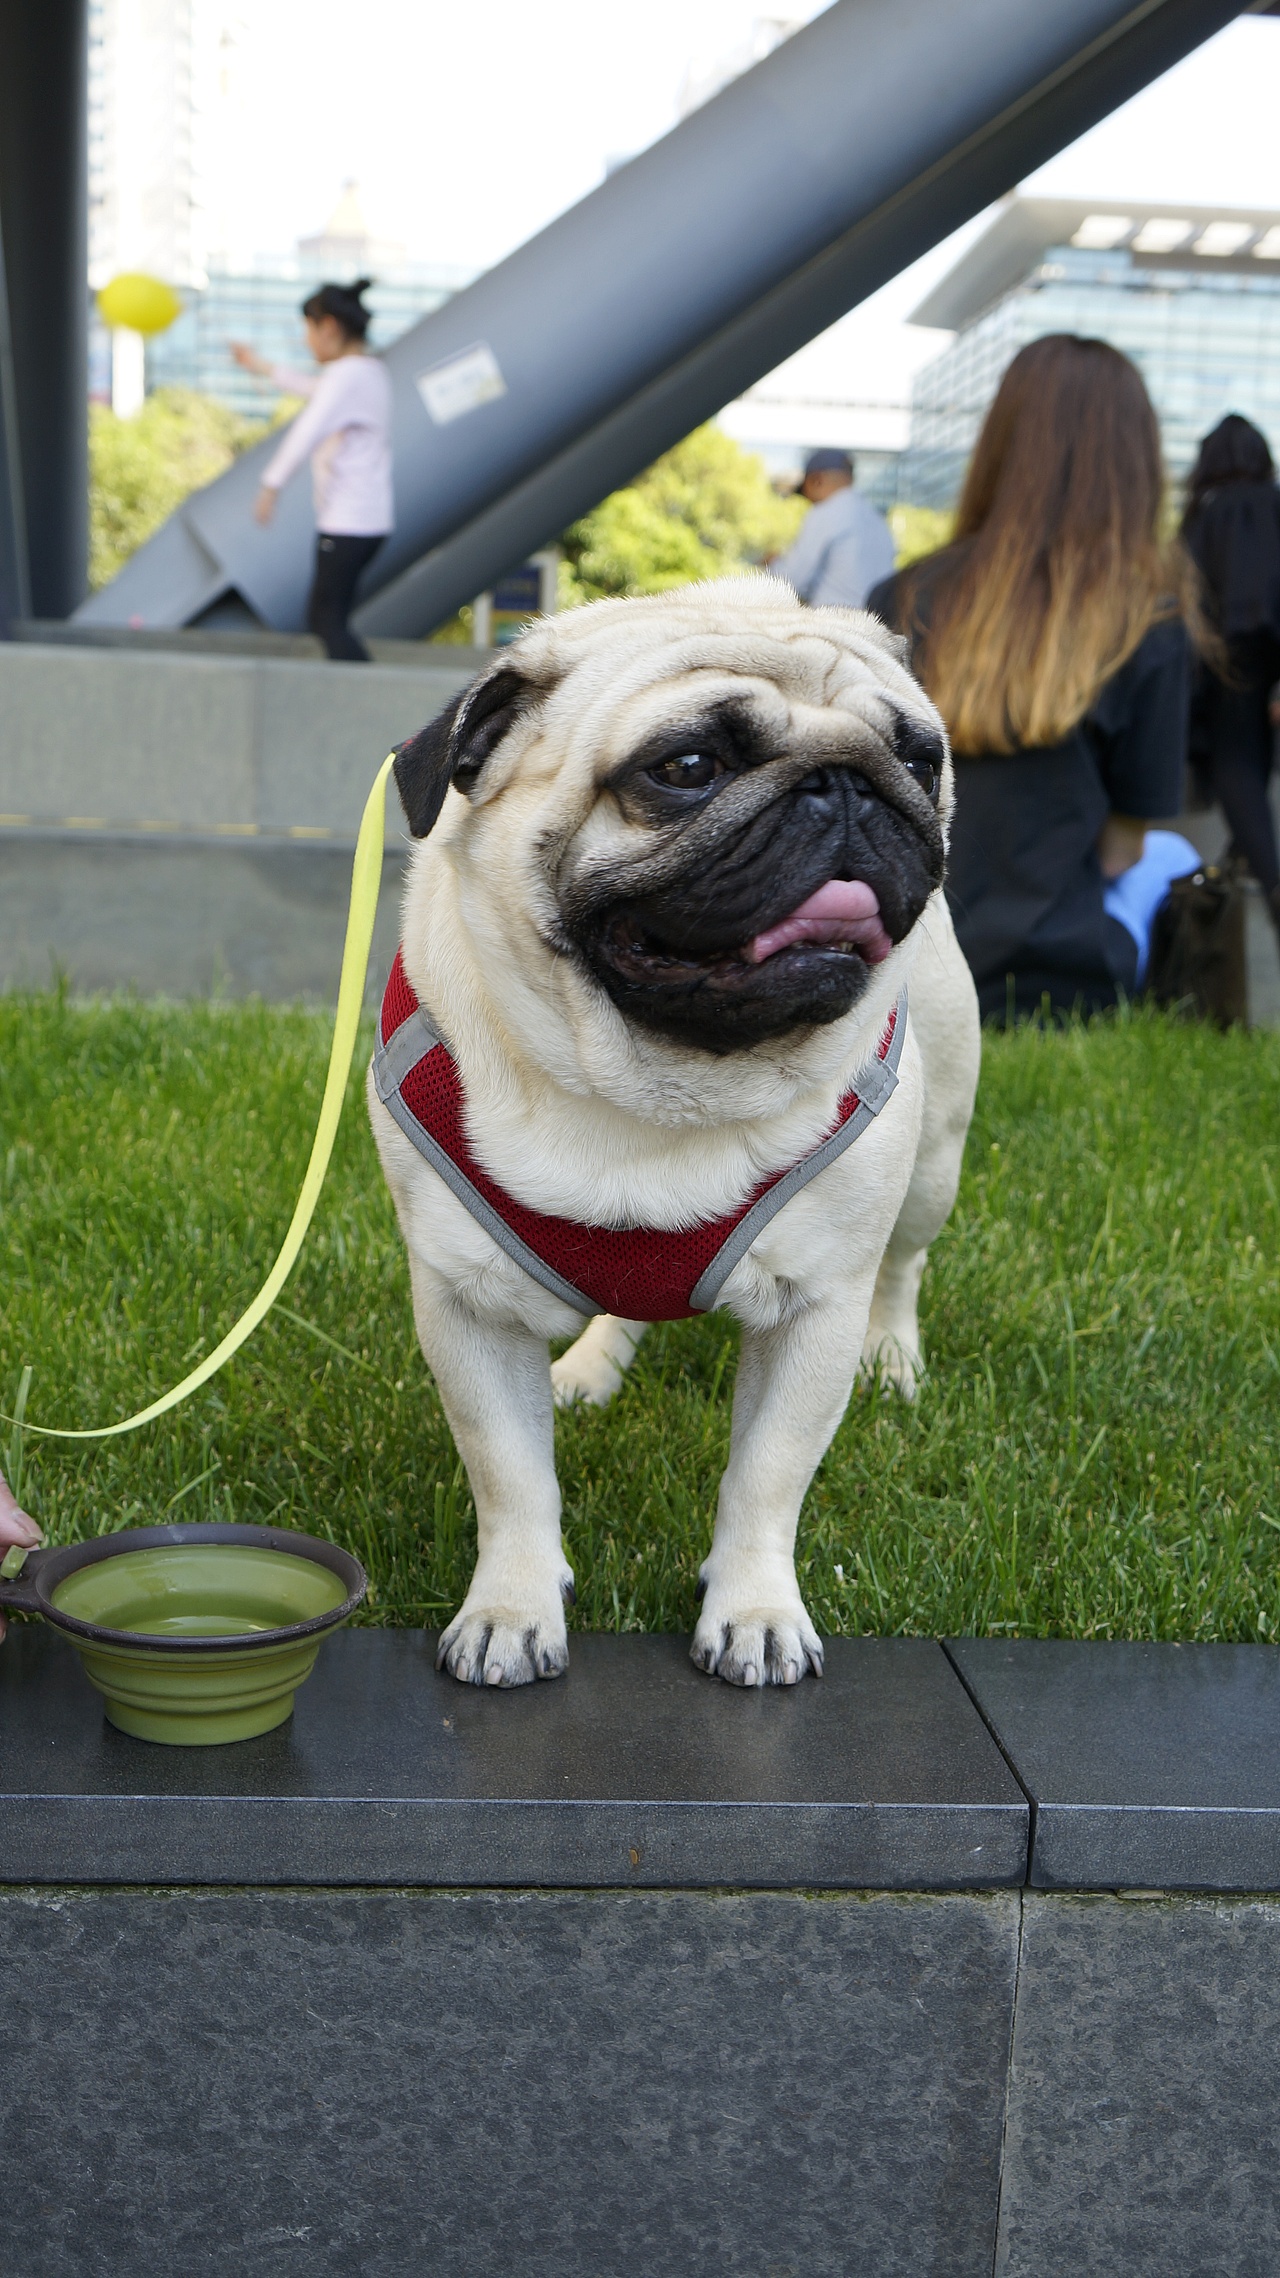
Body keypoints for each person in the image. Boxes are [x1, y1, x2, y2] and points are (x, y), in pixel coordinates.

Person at [868, 335, 1203, 1021]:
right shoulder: (1151, 623)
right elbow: (1120, 854)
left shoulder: (900, 597)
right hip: (1057, 976)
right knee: (1170, 854)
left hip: (898, 969)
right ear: (1136, 464)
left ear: (1001, 444)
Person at [232, 279, 393, 662]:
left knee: (326, 621)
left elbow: (308, 428)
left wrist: (271, 485)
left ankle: (366, 696)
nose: (307, 341)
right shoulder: (367, 372)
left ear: (329, 328)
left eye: (308, 330)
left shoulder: (346, 376)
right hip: (368, 523)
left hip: (347, 523)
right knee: (330, 619)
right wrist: (259, 366)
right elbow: (314, 390)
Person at [1182, 413, 1280, 935]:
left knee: (1234, 762)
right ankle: (1249, 860)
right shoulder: (1275, 503)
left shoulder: (1210, 513)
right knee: (1255, 760)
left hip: (1224, 659)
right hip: (1270, 657)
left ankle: (1267, 879)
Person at [767, 447, 896, 610]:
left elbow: (790, 580)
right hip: (878, 626)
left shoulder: (825, 512)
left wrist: (772, 564)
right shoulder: (877, 519)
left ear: (817, 480)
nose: (807, 499)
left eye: (804, 490)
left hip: (835, 626)